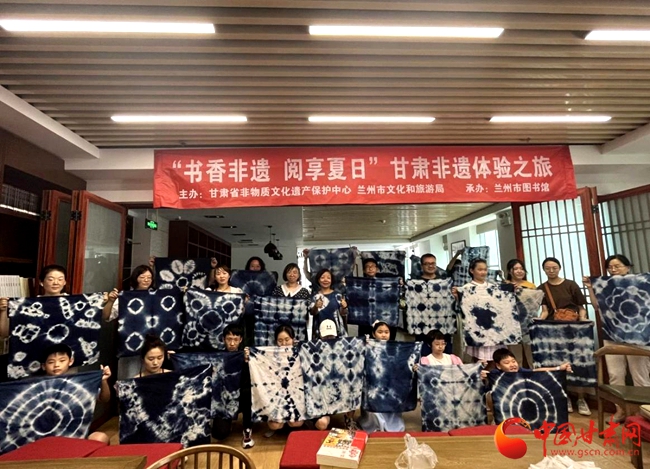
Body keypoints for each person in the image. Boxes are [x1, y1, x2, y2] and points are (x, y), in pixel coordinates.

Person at [584, 254, 650, 423]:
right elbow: (596, 306)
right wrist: (591, 288)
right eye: (610, 267)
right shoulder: (606, 285)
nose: (613, 270)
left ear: (628, 267)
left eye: (617, 266)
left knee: (640, 377)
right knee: (615, 375)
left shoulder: (642, 283)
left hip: (639, 336)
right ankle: (620, 412)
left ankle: (642, 415)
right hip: (611, 335)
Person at [537, 257, 590, 416]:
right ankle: (564, 397)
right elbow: (545, 312)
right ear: (544, 270)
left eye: (554, 267)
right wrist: (537, 321)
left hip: (574, 329)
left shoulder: (571, 285)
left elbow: (581, 307)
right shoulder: (542, 288)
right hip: (553, 331)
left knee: (578, 362)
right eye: (548, 268)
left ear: (559, 268)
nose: (551, 270)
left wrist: (582, 320)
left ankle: (581, 398)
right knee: (558, 362)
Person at [40, 344, 111, 444]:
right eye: (51, 362)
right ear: (44, 366)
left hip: (78, 432)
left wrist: (103, 381)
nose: (56, 365)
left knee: (101, 438)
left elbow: (104, 398)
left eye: (62, 360)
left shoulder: (80, 382)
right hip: (46, 435)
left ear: (70, 361)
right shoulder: (37, 387)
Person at [358, 321, 417, 434]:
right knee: (372, 399)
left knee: (393, 398)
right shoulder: (367, 346)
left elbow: (403, 364)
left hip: (391, 383)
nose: (384, 335)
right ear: (373, 333)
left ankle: (392, 425)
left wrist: (413, 366)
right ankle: (374, 425)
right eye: (380, 332)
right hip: (373, 384)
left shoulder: (397, 348)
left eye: (386, 332)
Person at [102, 264, 156, 380]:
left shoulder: (157, 297)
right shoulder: (125, 297)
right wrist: (110, 301)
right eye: (142, 277)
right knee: (129, 379)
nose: (146, 280)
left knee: (150, 381)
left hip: (151, 347)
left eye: (149, 277)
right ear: (135, 278)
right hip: (129, 345)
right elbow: (107, 316)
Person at [452, 258, 504, 369]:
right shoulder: (466, 288)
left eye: (485, 269)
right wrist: (457, 296)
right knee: (480, 360)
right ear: (472, 270)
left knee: (496, 358)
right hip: (477, 329)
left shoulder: (493, 287)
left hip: (493, 327)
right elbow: (463, 309)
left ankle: (493, 378)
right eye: (480, 269)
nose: (483, 272)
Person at [211, 324, 254, 449]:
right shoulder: (217, 357)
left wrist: (248, 362)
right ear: (224, 339)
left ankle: (247, 429)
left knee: (248, 392)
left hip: (241, 397)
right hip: (223, 400)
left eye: (235, 339)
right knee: (219, 434)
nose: (232, 343)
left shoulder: (246, 355)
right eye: (229, 339)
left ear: (240, 340)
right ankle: (224, 422)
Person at [1, 264, 69, 340]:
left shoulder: (73, 304)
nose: (56, 283)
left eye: (60, 279)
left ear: (64, 282)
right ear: (41, 282)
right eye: (50, 279)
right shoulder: (29, 306)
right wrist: (3, 310)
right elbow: (4, 333)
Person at [264, 325, 305, 438]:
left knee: (296, 423)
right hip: (277, 396)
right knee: (274, 425)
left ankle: (301, 422)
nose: (284, 343)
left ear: (293, 339)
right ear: (276, 342)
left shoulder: (302, 353)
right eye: (280, 340)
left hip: (297, 395)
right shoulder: (270, 356)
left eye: (287, 340)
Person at [311, 319, 350, 431]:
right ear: (320, 336)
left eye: (331, 336)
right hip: (319, 395)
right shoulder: (311, 351)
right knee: (322, 424)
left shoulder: (343, 350)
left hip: (336, 391)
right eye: (326, 337)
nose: (329, 340)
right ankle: (312, 420)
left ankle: (349, 419)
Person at [503, 259, 536, 368]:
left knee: (532, 354)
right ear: (509, 271)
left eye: (521, 268)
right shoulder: (504, 285)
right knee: (515, 356)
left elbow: (534, 304)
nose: (519, 271)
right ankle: (517, 374)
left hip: (527, 323)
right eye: (516, 269)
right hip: (511, 324)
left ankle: (534, 374)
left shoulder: (530, 285)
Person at [311, 269, 347, 339]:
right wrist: (316, 306)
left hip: (337, 330)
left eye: (328, 278)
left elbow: (343, 313)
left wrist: (344, 307)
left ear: (331, 280)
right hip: (319, 330)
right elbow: (312, 313)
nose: (325, 280)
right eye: (322, 277)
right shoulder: (315, 296)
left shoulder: (338, 295)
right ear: (318, 280)